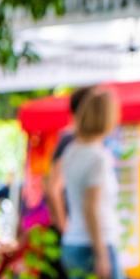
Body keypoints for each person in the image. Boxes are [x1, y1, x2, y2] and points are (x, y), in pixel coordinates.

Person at [57, 86, 126, 279]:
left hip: (73, 242)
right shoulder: (99, 157)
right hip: (95, 243)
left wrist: (65, 227)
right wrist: (101, 254)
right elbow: (91, 208)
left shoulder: (71, 151)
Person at [44, 86, 92, 233]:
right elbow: (53, 188)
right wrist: (66, 229)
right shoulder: (72, 139)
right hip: (77, 230)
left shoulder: (75, 139)